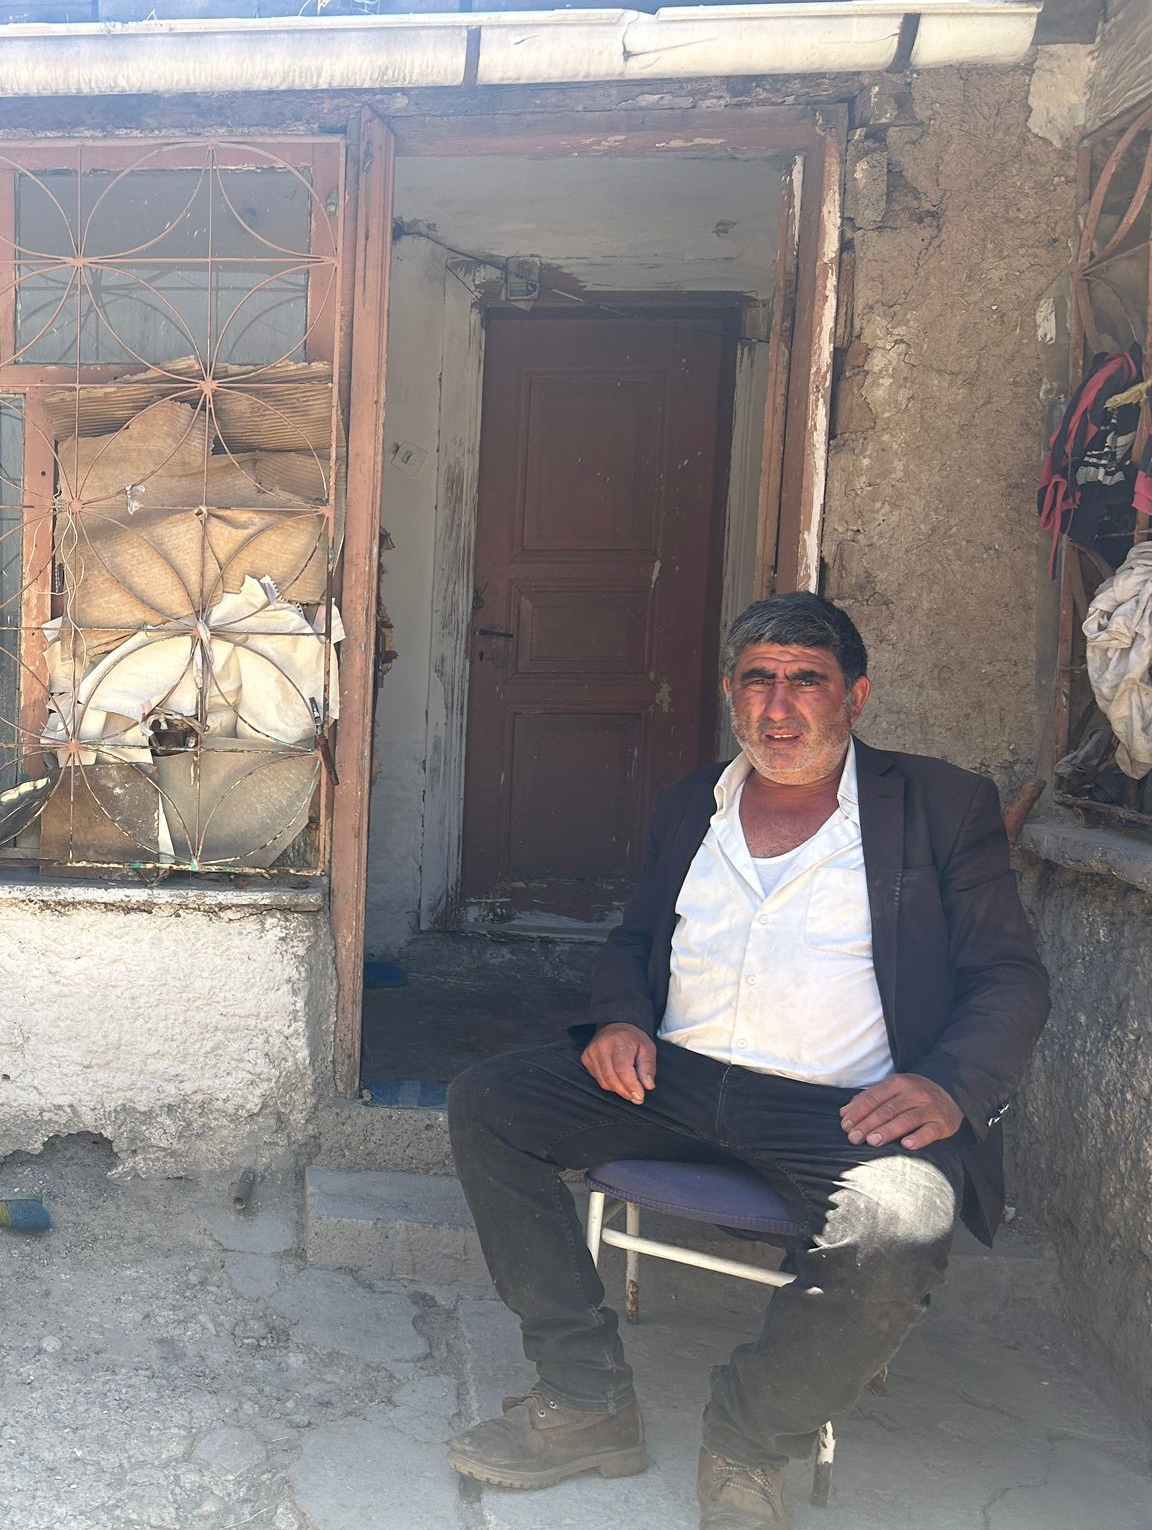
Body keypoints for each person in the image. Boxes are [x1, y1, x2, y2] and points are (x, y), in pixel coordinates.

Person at [445, 592, 1049, 1529]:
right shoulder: (697, 801)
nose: (779, 708)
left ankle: (748, 1441)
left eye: (806, 681)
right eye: (758, 681)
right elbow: (635, 937)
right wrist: (619, 1017)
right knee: (490, 1103)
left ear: (855, 696)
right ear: (731, 693)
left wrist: (949, 1084)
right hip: (673, 1083)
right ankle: (586, 1397)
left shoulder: (935, 806)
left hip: (843, 1108)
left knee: (901, 1224)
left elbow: (1009, 977)